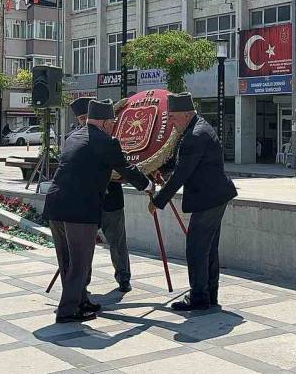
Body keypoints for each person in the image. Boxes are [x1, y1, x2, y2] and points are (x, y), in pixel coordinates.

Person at [45, 99, 149, 323]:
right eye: (112, 122)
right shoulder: (106, 141)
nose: (113, 126)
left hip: (55, 205)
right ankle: (68, 310)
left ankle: (80, 300)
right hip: (79, 209)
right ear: (103, 122)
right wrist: (148, 185)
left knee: (67, 261)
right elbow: (126, 169)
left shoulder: (73, 137)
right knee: (80, 262)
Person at [150, 93, 238, 311]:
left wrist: (158, 201)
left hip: (209, 199)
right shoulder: (197, 128)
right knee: (208, 248)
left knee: (197, 249)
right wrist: (160, 170)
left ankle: (199, 297)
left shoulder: (195, 135)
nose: (171, 122)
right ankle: (209, 294)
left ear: (186, 114)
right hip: (214, 197)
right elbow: (182, 163)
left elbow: (181, 174)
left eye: (173, 118)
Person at [67, 97, 134, 293]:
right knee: (84, 246)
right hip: (86, 202)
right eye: (81, 117)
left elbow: (124, 166)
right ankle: (82, 282)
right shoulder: (74, 138)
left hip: (111, 198)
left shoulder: (109, 137)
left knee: (118, 241)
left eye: (87, 116)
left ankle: (123, 277)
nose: (84, 120)